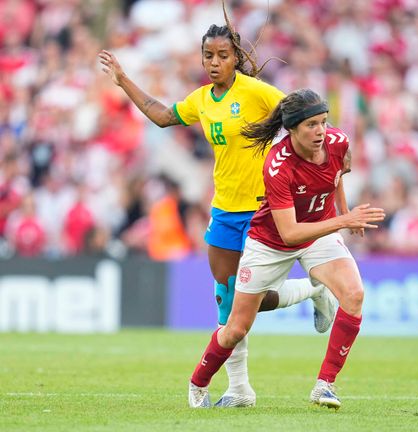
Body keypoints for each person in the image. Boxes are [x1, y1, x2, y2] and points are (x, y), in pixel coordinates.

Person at [98, 14, 337, 408]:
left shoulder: (258, 92)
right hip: (224, 210)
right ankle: (241, 389)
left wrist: (321, 157)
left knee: (248, 299)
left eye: (222, 55)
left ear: (235, 56)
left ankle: (313, 290)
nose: (213, 62)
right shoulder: (201, 100)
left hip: (264, 209)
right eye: (208, 55)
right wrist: (124, 79)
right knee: (228, 298)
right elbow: (161, 115)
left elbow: (301, 116)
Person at [187, 88, 385, 410]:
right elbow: (290, 233)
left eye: (323, 122)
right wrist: (343, 219)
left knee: (354, 294)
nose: (321, 131)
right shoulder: (278, 166)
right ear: (291, 129)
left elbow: (336, 175)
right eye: (311, 125)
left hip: (320, 230)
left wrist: (345, 214)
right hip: (270, 242)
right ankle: (198, 382)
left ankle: (325, 386)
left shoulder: (338, 142)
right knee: (236, 327)